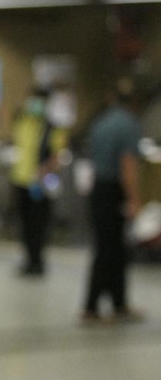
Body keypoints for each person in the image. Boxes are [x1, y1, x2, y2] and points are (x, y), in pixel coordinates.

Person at [81, 76, 145, 325]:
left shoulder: (100, 122)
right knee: (111, 250)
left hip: (98, 188)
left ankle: (119, 303)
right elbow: (128, 165)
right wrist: (134, 200)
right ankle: (91, 306)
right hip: (114, 191)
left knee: (113, 248)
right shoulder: (129, 125)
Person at [9, 87, 67, 277]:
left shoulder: (52, 128)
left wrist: (44, 170)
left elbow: (58, 156)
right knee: (25, 223)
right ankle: (28, 259)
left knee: (39, 224)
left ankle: (37, 261)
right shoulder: (23, 122)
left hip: (41, 183)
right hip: (21, 180)